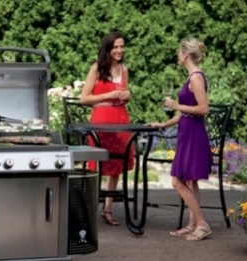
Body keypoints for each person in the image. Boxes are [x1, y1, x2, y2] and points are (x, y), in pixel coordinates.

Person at [147, 38, 213, 241]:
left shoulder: (195, 78)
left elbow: (203, 109)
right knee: (190, 181)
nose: (177, 55)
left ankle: (202, 223)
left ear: (185, 55)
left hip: (194, 135)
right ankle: (193, 224)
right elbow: (186, 113)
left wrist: (176, 105)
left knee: (177, 182)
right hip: (188, 133)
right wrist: (163, 124)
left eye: (179, 52)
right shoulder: (191, 77)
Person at [80, 31, 133, 226]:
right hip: (101, 119)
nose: (119, 50)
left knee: (116, 167)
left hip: (120, 119)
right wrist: (108, 94)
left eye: (122, 46)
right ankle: (88, 208)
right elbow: (84, 98)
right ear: (108, 48)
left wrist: (126, 96)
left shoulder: (123, 70)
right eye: (116, 47)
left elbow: (124, 96)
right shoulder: (97, 68)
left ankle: (108, 209)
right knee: (96, 165)